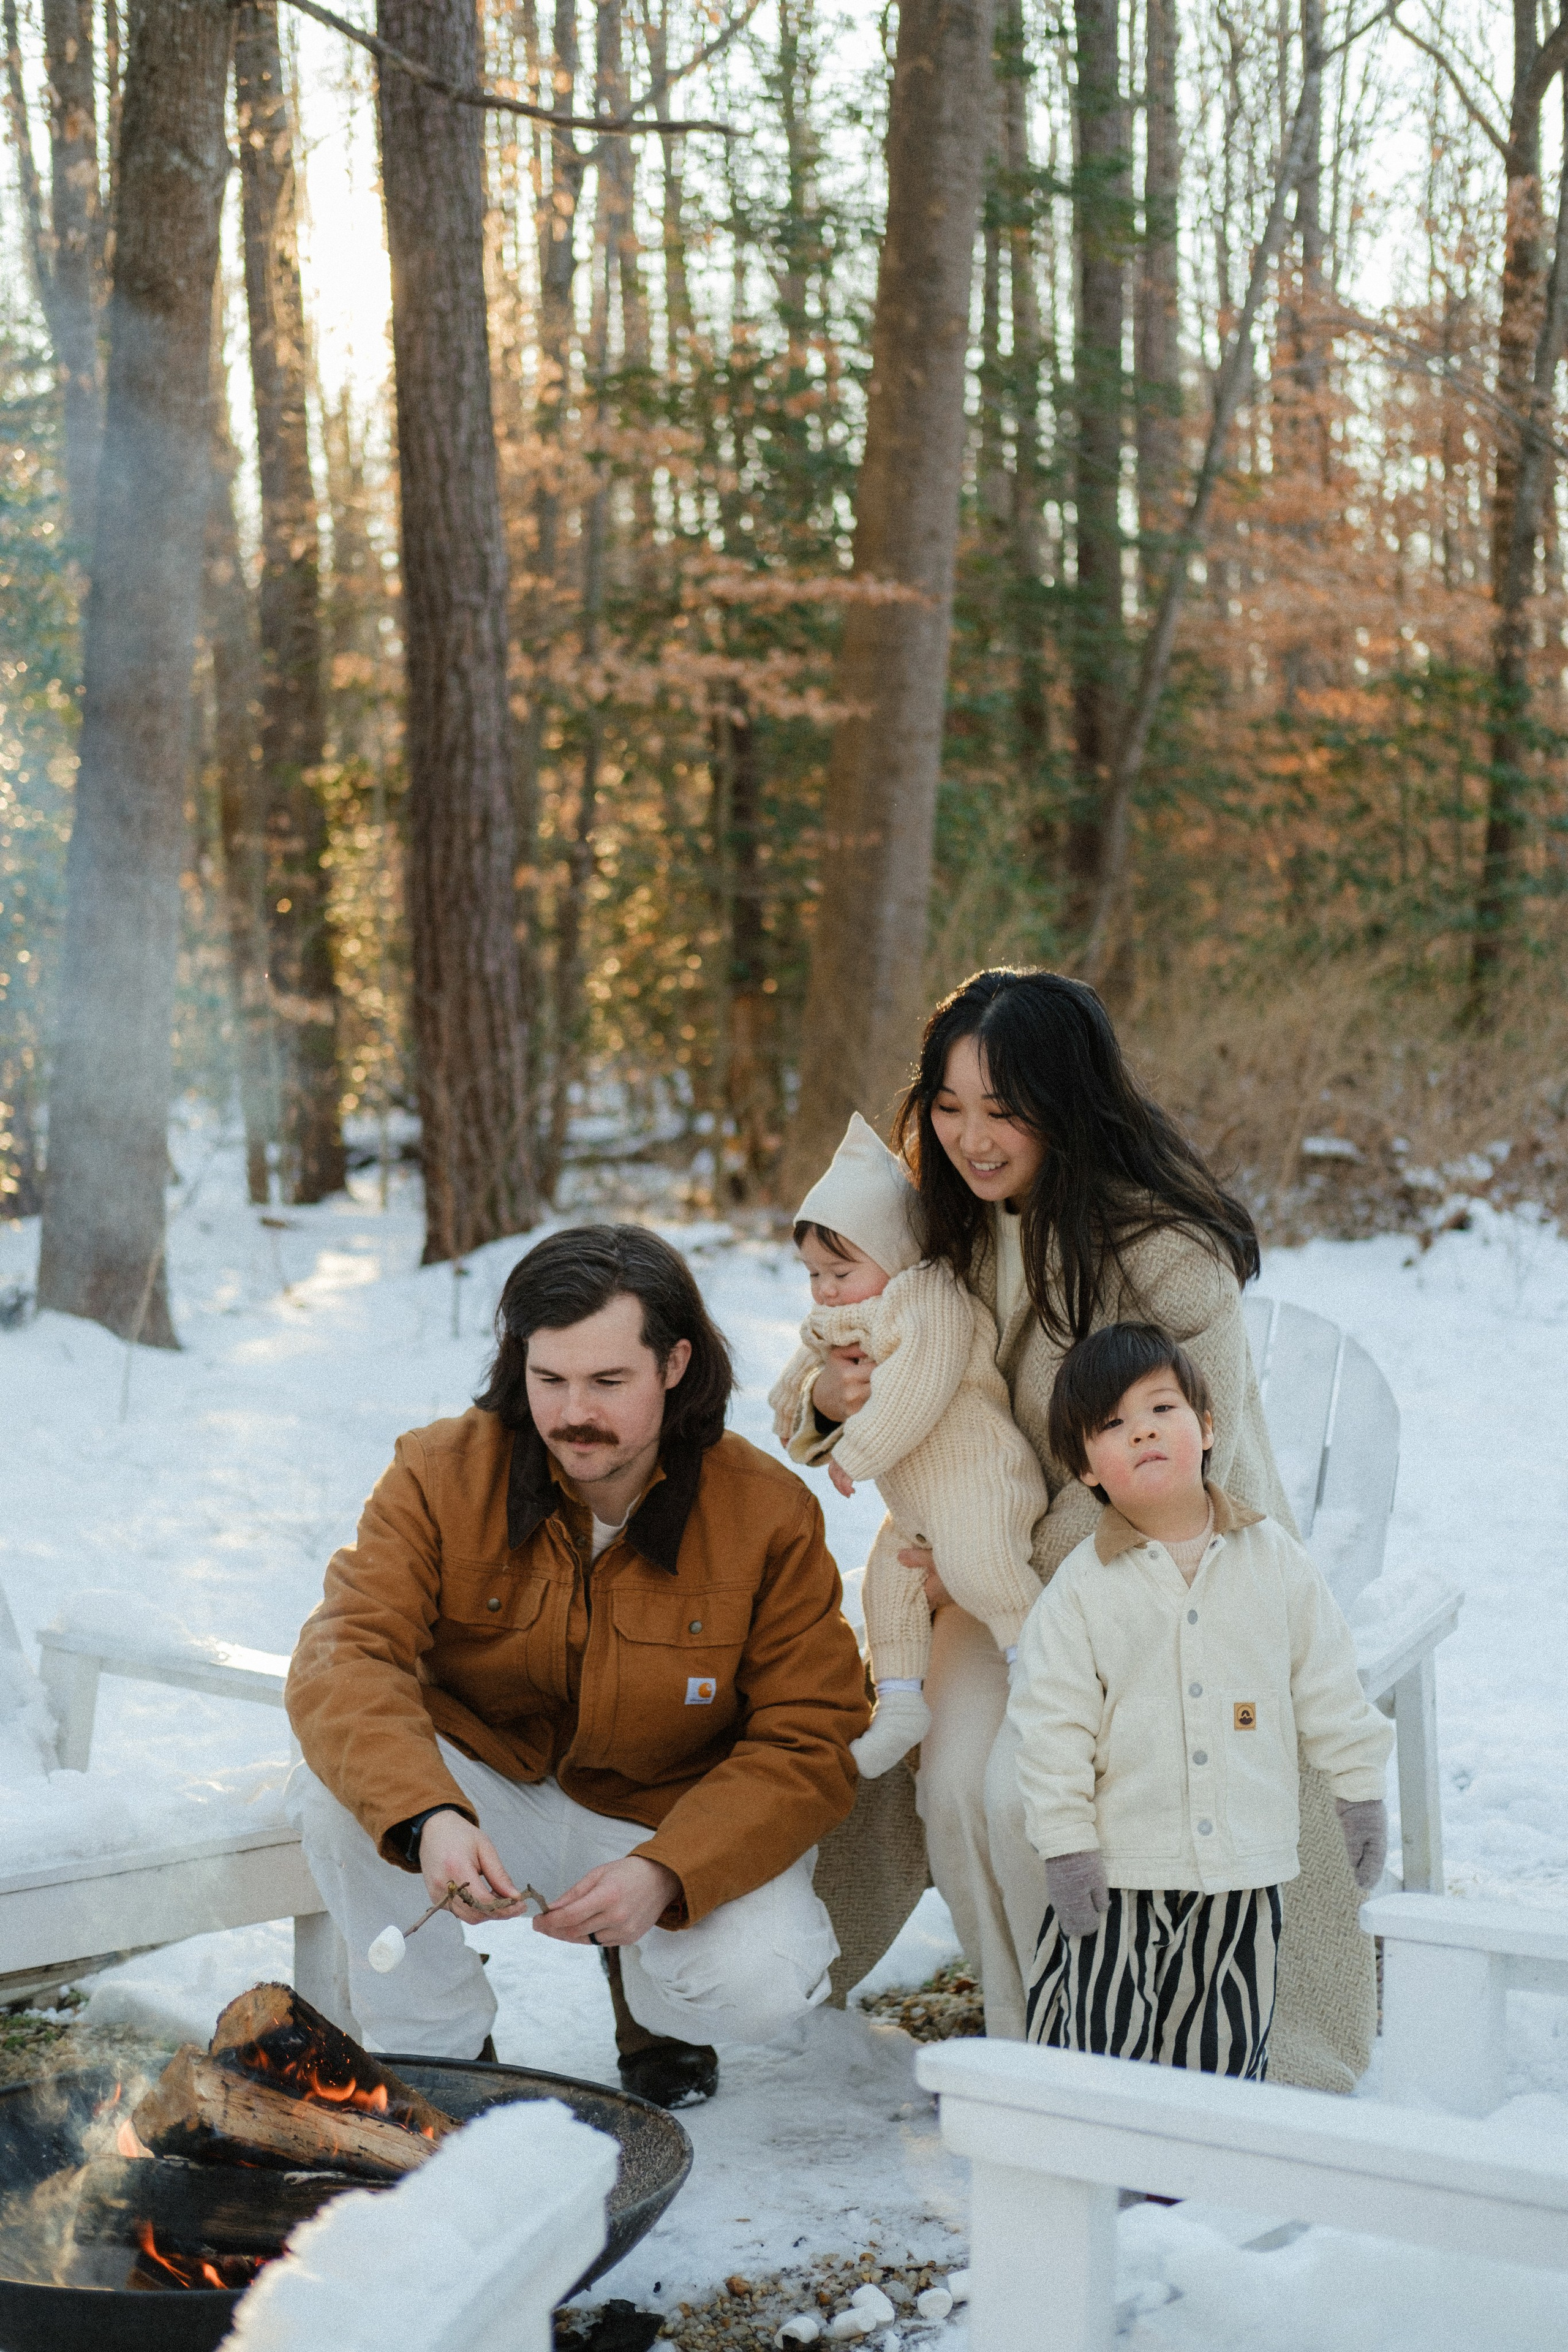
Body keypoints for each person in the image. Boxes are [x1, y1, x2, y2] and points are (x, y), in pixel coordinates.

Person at [784, 968, 1379, 2092]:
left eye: (1003, 1108)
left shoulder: (1163, 1250)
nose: (971, 1137)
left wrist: (991, 1561)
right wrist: (832, 1403)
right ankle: (1039, 2055)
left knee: (1029, 1792)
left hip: (1159, 1571)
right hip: (985, 1572)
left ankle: (1145, 2044)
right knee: (960, 1783)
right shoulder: (940, 1227)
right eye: (949, 1106)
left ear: (1068, 1100)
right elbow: (837, 1346)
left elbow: (1157, 1463)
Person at [286, 1223, 869, 2108]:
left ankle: (658, 2013)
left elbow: (811, 1736)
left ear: (675, 1365)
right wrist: (428, 1815)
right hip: (491, 1792)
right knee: (340, 1800)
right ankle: (444, 2054)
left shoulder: (766, 1512)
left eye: (607, 1382)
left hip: (661, 1815)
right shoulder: (438, 1471)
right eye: (549, 1379)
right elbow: (346, 1652)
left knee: (762, 1980)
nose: (572, 1414)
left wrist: (671, 1873)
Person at [1009, 1321, 1392, 2076]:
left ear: (1207, 1426)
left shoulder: (1274, 1560)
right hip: (1121, 1868)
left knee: (1222, 2043)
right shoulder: (1079, 1592)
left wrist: (1358, 1791)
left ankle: (1193, 2190)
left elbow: (1328, 1682)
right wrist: (1066, 1844)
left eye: (1162, 1410)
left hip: (1245, 1873)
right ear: (1087, 1468)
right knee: (1100, 2038)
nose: (1143, 1432)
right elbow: (1051, 1731)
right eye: (1112, 1425)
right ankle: (1099, 2174)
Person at [768, 1112, 1047, 1777]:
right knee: (885, 1586)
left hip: (978, 1481)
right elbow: (803, 1374)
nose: (825, 1290)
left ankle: (1040, 1677)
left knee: (986, 1569)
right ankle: (898, 1704)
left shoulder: (930, 1300)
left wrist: (857, 1453)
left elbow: (916, 1389)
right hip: (918, 1508)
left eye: (839, 1270)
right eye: (813, 1274)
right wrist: (799, 1403)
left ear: (893, 1255)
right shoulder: (846, 1314)